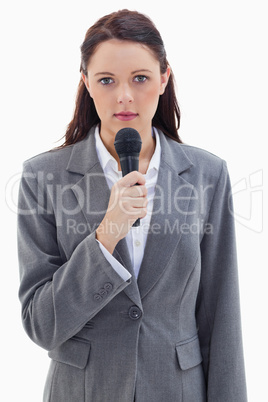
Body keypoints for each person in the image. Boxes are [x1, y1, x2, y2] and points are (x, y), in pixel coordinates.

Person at [17, 9, 247, 402]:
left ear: (163, 79)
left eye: (140, 78)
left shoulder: (208, 174)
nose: (124, 95)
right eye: (106, 80)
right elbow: (42, 324)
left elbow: (220, 317)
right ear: (87, 83)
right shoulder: (43, 177)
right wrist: (108, 233)